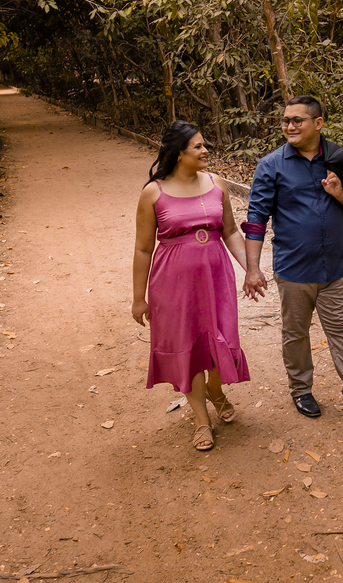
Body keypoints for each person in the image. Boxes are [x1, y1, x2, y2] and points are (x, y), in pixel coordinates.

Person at [241, 95, 343, 418]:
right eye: (285, 120)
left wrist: (340, 192)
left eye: (297, 120)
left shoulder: (340, 158)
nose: (289, 126)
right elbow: (256, 219)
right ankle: (301, 390)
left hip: (335, 266)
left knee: (341, 330)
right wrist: (252, 269)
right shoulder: (271, 165)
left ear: (318, 123)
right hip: (294, 268)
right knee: (295, 333)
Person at [132, 121, 252, 451]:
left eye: (204, 145)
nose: (205, 151)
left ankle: (216, 390)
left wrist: (251, 269)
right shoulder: (153, 192)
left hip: (216, 278)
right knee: (187, 348)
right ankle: (201, 418)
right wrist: (138, 299)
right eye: (198, 146)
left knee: (220, 342)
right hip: (172, 284)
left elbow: (229, 231)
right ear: (179, 152)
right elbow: (143, 248)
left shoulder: (217, 184)